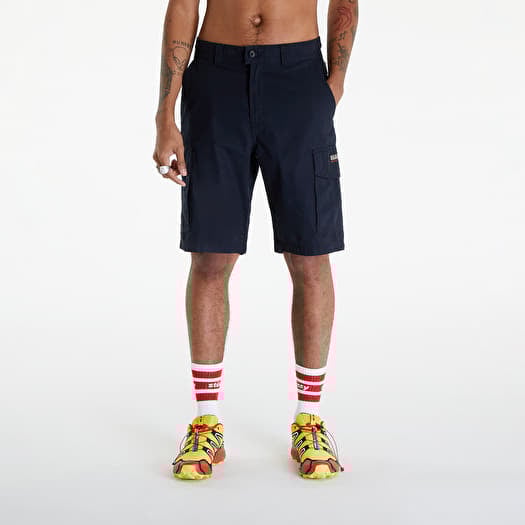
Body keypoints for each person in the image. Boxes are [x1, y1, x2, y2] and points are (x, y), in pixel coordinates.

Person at [152, 0, 358, 480]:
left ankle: (309, 420)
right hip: (216, 77)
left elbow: (345, 2)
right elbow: (183, 5)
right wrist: (165, 112)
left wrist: (335, 83)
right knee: (210, 254)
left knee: (310, 254)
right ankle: (206, 422)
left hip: (298, 75)